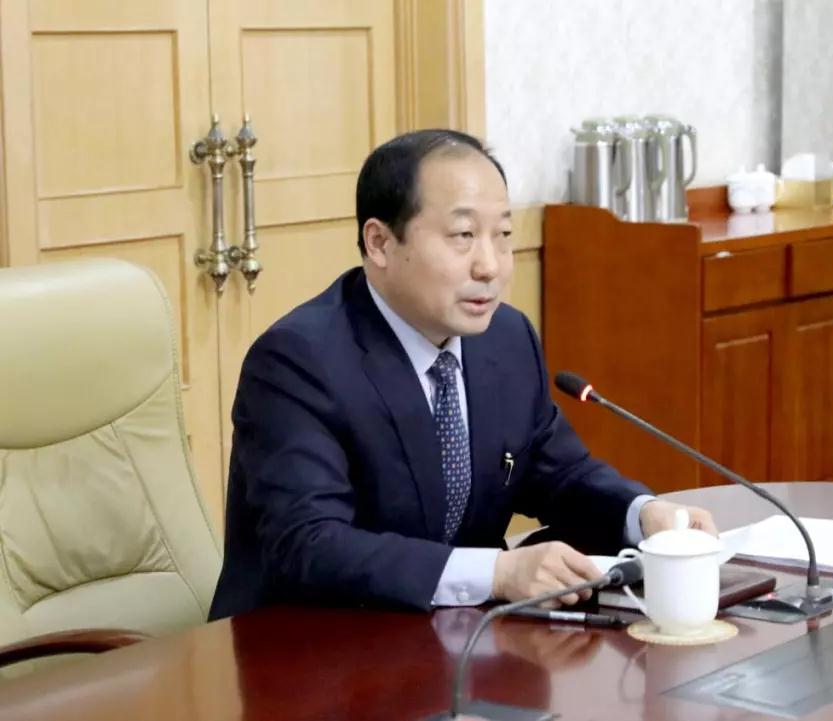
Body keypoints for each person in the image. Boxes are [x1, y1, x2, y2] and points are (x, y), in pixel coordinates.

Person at [208, 129, 716, 620]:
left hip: (449, 638)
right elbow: (310, 544)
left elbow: (557, 473)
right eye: (463, 236)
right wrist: (496, 573)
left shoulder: (505, 338)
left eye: (503, 235)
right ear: (379, 243)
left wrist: (641, 514)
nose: (490, 266)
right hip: (310, 648)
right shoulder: (298, 361)